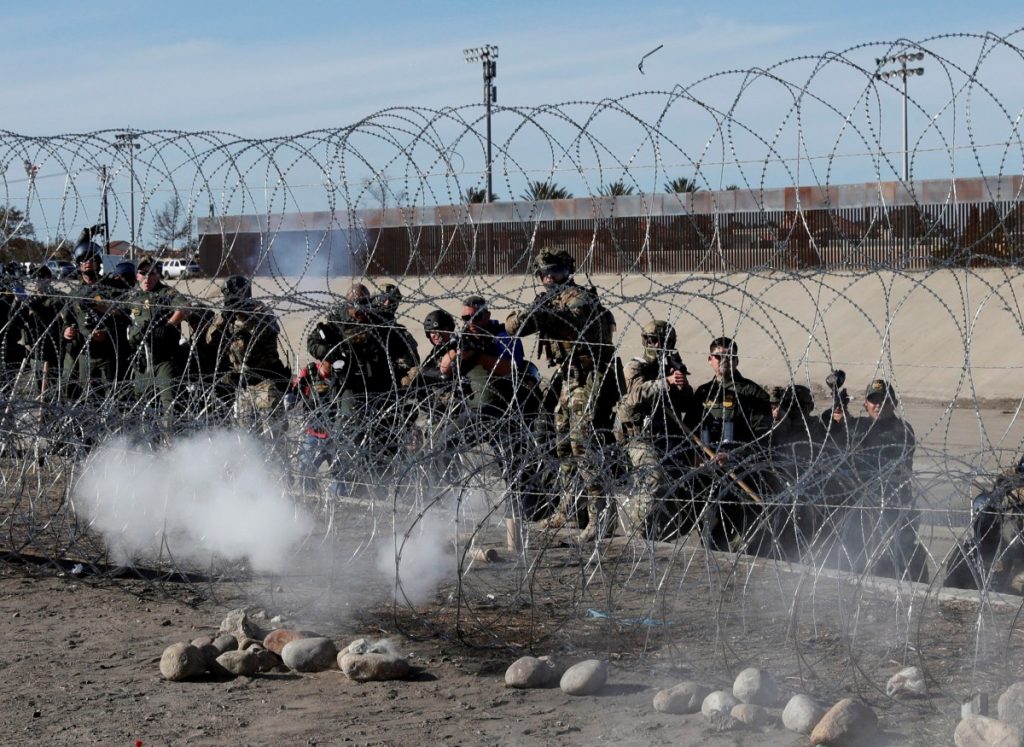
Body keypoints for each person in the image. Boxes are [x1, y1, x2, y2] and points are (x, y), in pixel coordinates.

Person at [506, 248, 622, 542]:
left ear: (567, 271)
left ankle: (601, 518)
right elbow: (514, 327)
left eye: (555, 272)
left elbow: (574, 319)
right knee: (563, 446)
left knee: (583, 446)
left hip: (590, 374)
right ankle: (569, 510)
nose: (549, 278)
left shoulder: (579, 296)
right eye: (544, 274)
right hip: (569, 378)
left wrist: (544, 311)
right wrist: (537, 309)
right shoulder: (548, 299)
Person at [439, 296, 529, 551]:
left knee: (513, 472)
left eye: (475, 317)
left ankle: (515, 541)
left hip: (504, 411)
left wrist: (479, 356)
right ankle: (457, 504)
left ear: (487, 315)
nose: (471, 322)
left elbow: (510, 367)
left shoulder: (502, 336)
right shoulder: (464, 338)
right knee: (444, 446)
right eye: (466, 318)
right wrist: (458, 352)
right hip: (477, 411)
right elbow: (445, 368)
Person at [306, 284, 418, 484]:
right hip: (351, 386)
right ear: (348, 305)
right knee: (349, 432)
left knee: (384, 436)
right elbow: (313, 342)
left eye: (365, 304)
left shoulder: (381, 323)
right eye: (356, 306)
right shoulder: (336, 321)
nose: (360, 310)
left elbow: (407, 352)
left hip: (381, 387)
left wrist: (404, 373)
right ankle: (347, 480)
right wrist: (333, 353)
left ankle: (381, 482)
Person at [614, 320, 701, 540]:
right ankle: (638, 532)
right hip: (638, 438)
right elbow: (635, 395)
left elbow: (685, 404)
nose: (654, 344)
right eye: (650, 340)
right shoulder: (636, 366)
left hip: (668, 437)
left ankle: (666, 533)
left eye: (659, 340)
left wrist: (682, 387)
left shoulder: (672, 365)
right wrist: (666, 382)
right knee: (652, 476)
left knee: (682, 484)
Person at [691, 336, 772, 550]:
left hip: (742, 472)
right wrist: (697, 455)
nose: (723, 361)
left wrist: (733, 455)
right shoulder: (702, 393)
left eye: (729, 356)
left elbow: (763, 436)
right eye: (718, 356)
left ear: (736, 361)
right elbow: (691, 430)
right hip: (708, 472)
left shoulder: (753, 394)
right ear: (710, 359)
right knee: (709, 525)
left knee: (741, 526)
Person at [846, 379, 926, 581]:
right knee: (857, 555)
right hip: (863, 506)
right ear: (866, 404)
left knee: (895, 558)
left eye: (885, 400)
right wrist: (839, 415)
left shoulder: (902, 429)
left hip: (895, 503)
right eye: (873, 400)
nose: (878, 404)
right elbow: (834, 435)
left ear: (894, 403)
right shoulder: (857, 426)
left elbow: (888, 447)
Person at [205, 275, 290, 448]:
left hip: (266, 383)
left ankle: (281, 475)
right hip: (244, 386)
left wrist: (243, 315)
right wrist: (224, 317)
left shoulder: (261, 311)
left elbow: (267, 330)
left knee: (274, 439)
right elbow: (210, 339)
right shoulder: (228, 315)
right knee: (248, 442)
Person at [60, 227, 130, 402]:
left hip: (108, 354)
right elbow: (66, 320)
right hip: (85, 356)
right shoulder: (76, 294)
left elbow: (124, 316)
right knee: (87, 401)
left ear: (99, 263)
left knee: (111, 399)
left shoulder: (112, 288)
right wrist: (67, 332)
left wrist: (106, 331)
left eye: (92, 259)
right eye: (83, 260)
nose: (87, 263)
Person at [127, 256, 190, 430]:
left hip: (163, 359)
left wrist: (169, 326)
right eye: (143, 273)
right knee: (142, 406)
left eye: (152, 273)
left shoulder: (167, 293)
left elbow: (185, 307)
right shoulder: (132, 296)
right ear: (137, 275)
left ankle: (170, 441)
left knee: (168, 405)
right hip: (141, 361)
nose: (147, 277)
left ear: (158, 275)